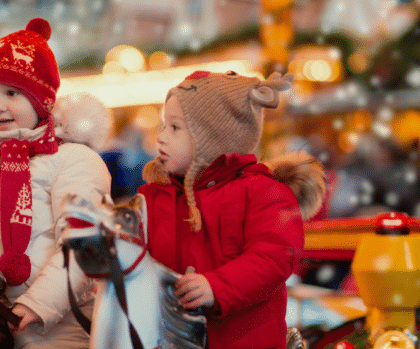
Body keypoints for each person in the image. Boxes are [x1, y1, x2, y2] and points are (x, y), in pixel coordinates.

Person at [0, 18, 110, 348]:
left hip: (57, 323)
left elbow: (83, 248)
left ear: (42, 101)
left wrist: (39, 304)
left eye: (12, 93)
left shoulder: (74, 160)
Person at [137, 70, 326, 348]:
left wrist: (217, 286)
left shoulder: (263, 193)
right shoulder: (154, 196)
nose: (161, 138)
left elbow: (274, 256)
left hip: (241, 340)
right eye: (164, 127)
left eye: (175, 128)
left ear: (211, 137)